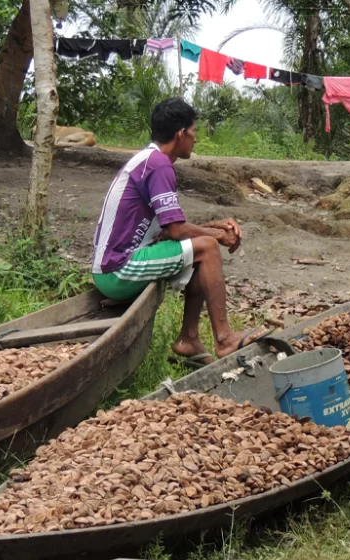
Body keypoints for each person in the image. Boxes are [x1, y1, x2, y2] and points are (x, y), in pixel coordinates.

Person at [90, 98, 270, 365]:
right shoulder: (159, 165)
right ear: (180, 134)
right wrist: (217, 237)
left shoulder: (149, 161)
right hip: (117, 270)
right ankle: (225, 339)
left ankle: (189, 339)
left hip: (112, 266)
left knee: (200, 250)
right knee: (207, 248)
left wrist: (215, 226)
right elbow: (176, 230)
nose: (195, 139)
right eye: (194, 131)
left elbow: (171, 230)